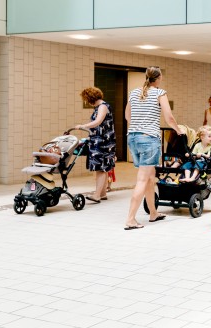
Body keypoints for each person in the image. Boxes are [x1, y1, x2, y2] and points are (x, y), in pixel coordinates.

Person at [124, 66, 184, 230]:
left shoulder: (134, 92)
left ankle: (153, 213)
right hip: (149, 139)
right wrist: (179, 131)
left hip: (133, 137)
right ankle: (130, 220)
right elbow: (169, 117)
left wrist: (139, 125)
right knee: (143, 179)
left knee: (150, 177)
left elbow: (127, 116)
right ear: (158, 78)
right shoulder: (160, 93)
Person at [76, 87, 116, 204]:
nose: (87, 102)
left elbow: (98, 121)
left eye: (86, 99)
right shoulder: (100, 107)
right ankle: (102, 193)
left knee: (101, 168)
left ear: (90, 98)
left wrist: (83, 126)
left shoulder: (103, 106)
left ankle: (97, 195)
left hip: (103, 142)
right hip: (99, 141)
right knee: (101, 168)